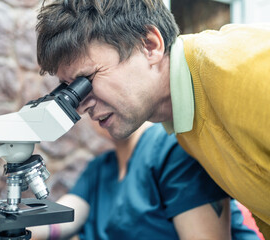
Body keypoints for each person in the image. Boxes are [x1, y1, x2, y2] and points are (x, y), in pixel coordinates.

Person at [35, 0, 270, 237]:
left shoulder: (244, 68)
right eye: (71, 89)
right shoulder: (188, 130)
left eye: (85, 79)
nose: (82, 105)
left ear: (149, 45)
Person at [29, 123, 261, 240]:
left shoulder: (173, 147)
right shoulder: (100, 168)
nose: (92, 104)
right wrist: (14, 228)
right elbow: (63, 218)